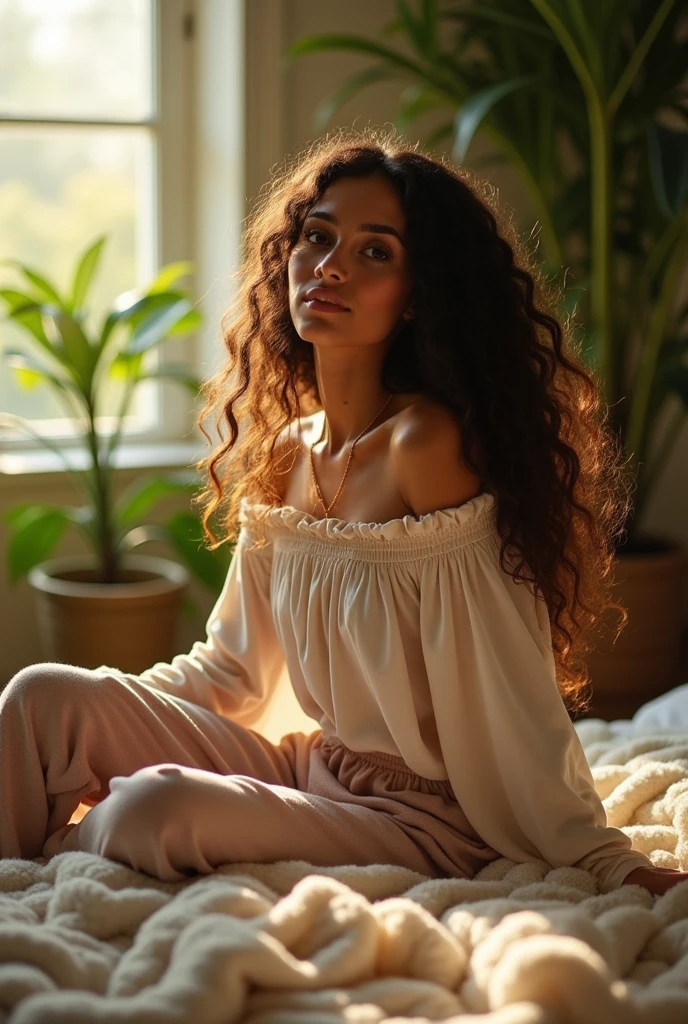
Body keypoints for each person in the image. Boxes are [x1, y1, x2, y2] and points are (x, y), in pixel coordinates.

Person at [1, 127, 685, 896]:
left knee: (147, 809)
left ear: (419, 294)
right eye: (317, 237)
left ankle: (51, 850)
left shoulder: (423, 446)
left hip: (425, 819)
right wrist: (102, 724)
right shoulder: (288, 451)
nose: (328, 266)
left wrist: (601, 856)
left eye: (374, 251)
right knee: (41, 697)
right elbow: (230, 671)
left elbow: (506, 678)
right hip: (313, 766)